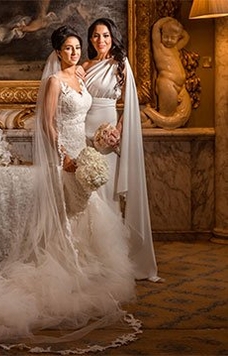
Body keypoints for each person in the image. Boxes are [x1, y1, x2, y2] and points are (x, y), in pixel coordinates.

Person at [0, 25, 140, 353]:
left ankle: (86, 273)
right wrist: (65, 158)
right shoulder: (54, 81)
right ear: (58, 52)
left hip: (84, 150)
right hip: (65, 160)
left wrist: (97, 142)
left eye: (77, 48)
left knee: (88, 212)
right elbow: (47, 124)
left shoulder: (82, 77)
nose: (74, 53)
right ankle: (67, 271)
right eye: (69, 48)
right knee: (66, 215)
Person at [82, 18, 162, 282]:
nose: (100, 40)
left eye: (105, 35)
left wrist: (117, 131)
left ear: (112, 37)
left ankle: (110, 258)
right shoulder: (84, 66)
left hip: (108, 137)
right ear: (90, 39)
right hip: (84, 135)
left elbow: (130, 104)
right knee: (87, 198)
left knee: (107, 196)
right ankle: (87, 257)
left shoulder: (120, 65)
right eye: (95, 36)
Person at [141, 17, 192, 129]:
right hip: (167, 83)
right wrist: (167, 20)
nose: (169, 40)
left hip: (180, 87)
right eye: (166, 37)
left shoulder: (175, 48)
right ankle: (150, 120)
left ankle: (152, 118)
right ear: (161, 35)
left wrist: (175, 26)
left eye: (173, 38)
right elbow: (156, 28)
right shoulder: (159, 47)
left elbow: (186, 36)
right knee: (166, 115)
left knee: (169, 115)